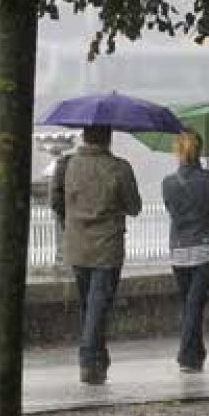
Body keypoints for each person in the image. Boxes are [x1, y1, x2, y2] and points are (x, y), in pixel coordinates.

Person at [50, 124, 141, 385]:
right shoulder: (119, 168)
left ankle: (98, 359)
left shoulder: (66, 165)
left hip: (77, 247)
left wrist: (73, 221)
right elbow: (134, 207)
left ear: (84, 136)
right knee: (99, 306)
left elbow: (56, 203)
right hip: (107, 248)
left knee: (90, 305)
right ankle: (90, 360)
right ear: (108, 139)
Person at [161, 131, 209, 374]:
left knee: (190, 303)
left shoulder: (168, 183)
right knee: (194, 304)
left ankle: (196, 354)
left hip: (179, 251)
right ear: (199, 151)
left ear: (177, 152)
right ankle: (187, 356)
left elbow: (175, 212)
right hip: (206, 250)